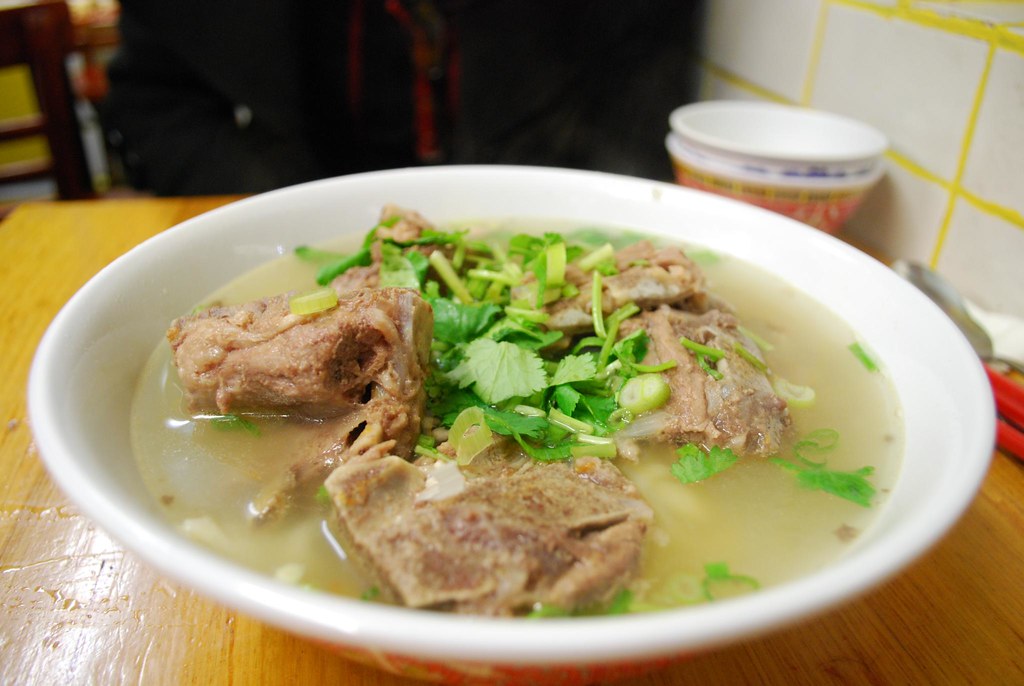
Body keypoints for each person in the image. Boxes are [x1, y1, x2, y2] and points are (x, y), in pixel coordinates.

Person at [102, 0, 704, 196]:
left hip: (533, 194)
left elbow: (639, 96)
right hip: (302, 185)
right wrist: (299, 203)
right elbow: (157, 101)